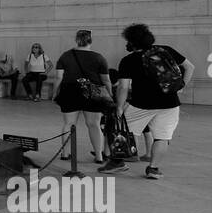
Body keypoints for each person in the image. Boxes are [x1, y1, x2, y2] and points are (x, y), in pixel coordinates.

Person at [102, 23, 195, 178]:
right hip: (170, 103)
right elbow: (190, 67)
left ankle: (117, 163)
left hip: (141, 104)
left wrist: (119, 106)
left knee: (121, 130)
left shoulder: (129, 60)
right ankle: (153, 168)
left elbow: (123, 88)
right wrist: (181, 85)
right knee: (162, 137)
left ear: (131, 42)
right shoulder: (166, 50)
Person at [49, 30, 113, 164]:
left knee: (68, 124)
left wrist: (55, 92)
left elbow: (58, 77)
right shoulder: (98, 57)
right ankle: (99, 156)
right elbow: (106, 80)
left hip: (70, 91)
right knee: (94, 125)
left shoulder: (65, 56)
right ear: (91, 40)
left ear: (76, 40)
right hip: (93, 92)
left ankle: (65, 153)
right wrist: (110, 94)